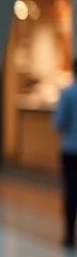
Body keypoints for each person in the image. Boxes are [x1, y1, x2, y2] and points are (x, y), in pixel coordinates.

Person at [54, 58, 77, 247]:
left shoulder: (68, 93)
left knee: (71, 191)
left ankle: (69, 233)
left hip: (70, 149)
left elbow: (58, 123)